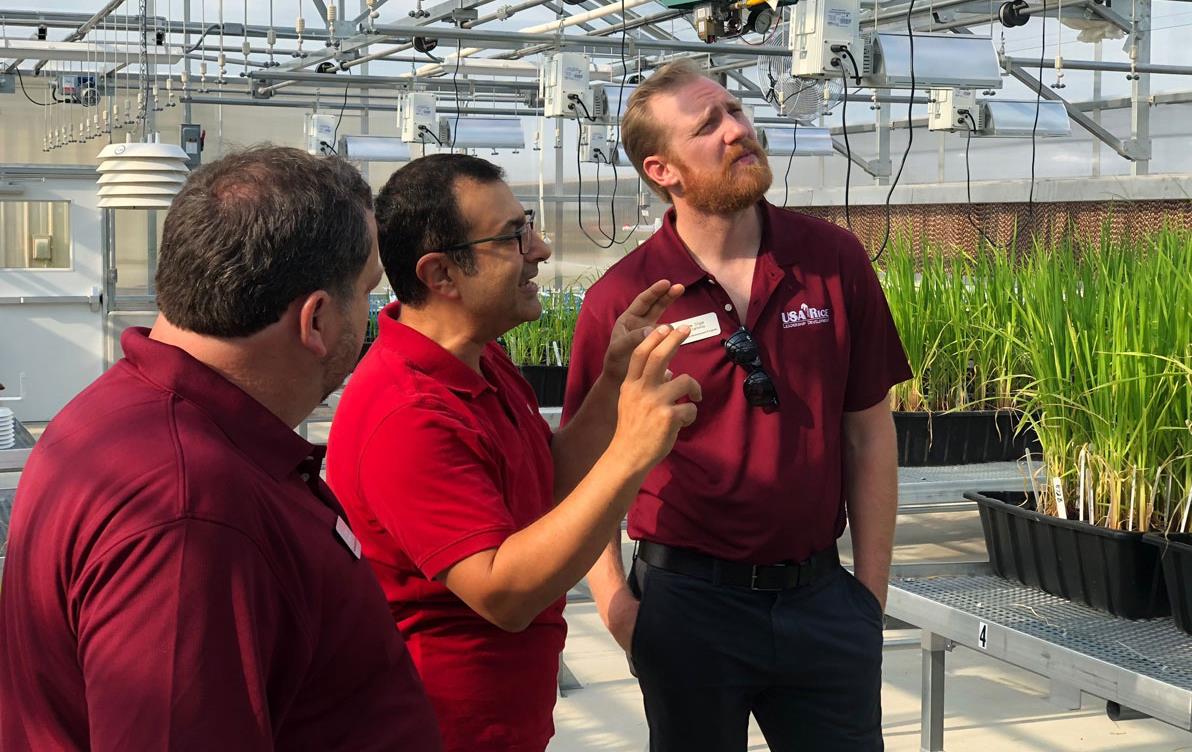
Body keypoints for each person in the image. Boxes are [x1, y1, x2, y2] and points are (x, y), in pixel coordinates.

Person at [0, 146, 442, 751]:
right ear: (314, 320)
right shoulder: (190, 510)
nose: (374, 313)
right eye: (367, 291)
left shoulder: (123, 416)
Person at [563, 60, 913, 751]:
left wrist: (867, 601)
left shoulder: (832, 261)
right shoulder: (625, 298)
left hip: (821, 598)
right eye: (709, 125)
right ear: (662, 170)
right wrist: (616, 607)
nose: (738, 130)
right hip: (686, 604)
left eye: (736, 112)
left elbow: (869, 436)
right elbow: (587, 466)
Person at [325, 153, 700, 752]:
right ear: (441, 274)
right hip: (437, 729)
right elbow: (504, 593)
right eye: (514, 236)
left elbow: (545, 488)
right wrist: (632, 453)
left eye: (528, 225)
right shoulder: (408, 413)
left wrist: (612, 384)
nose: (542, 249)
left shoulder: (479, 359)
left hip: (502, 722)